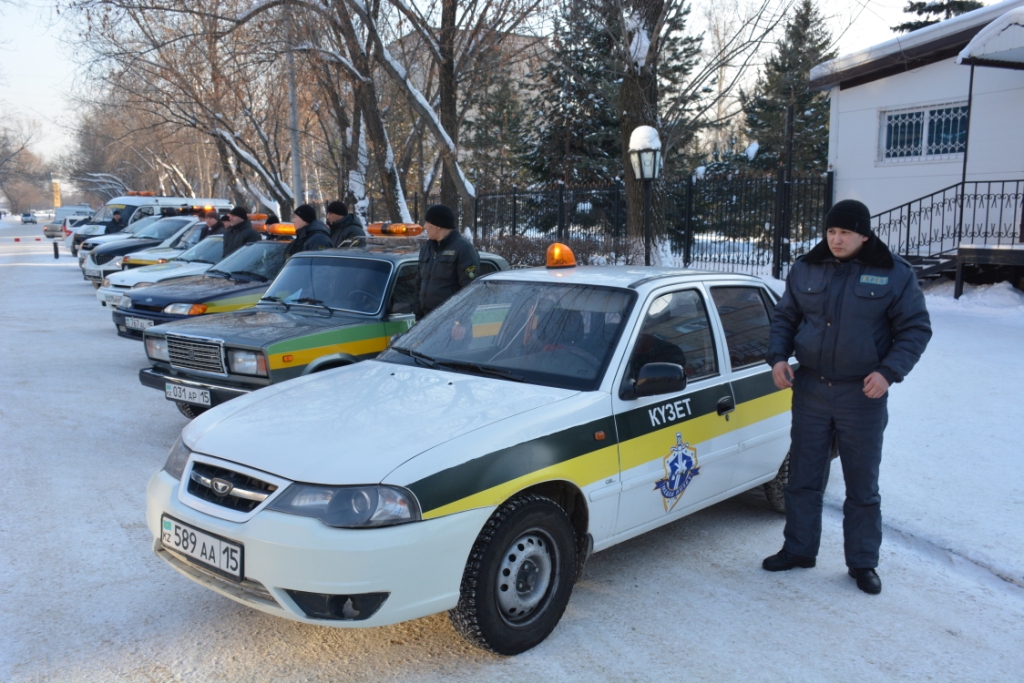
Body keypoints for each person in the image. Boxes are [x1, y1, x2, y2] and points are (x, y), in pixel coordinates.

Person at [762, 199, 932, 595]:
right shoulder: (806, 267)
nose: (836, 240)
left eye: (845, 233)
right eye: (831, 232)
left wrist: (889, 372)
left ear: (864, 235)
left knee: (861, 483)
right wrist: (776, 358)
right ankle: (799, 549)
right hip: (811, 390)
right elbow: (786, 317)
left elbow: (915, 329)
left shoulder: (893, 273)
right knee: (803, 476)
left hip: (862, 394)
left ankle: (862, 563)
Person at [415, 204, 479, 320]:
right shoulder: (427, 249)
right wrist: (418, 316)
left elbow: (469, 290)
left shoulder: (463, 249)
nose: (424, 227)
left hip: (449, 321)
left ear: (438, 225)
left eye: (428, 223)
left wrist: (460, 322)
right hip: (426, 321)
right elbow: (419, 284)